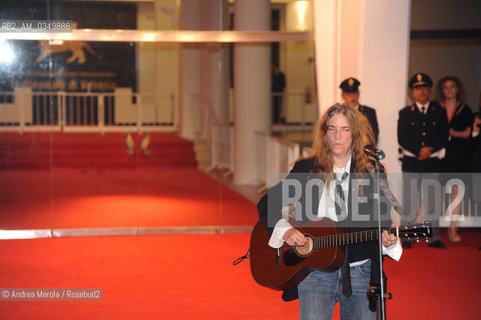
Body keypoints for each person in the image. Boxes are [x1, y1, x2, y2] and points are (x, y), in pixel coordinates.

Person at [257, 104, 401, 320]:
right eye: (332, 128)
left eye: (345, 129)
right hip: (315, 271)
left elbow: (382, 221)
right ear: (324, 133)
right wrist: (284, 229)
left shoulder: (373, 173)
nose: (337, 136)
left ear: (355, 134)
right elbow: (267, 202)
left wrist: (388, 240)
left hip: (360, 272)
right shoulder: (306, 169)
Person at [397, 72, 449, 249]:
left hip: (431, 162)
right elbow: (402, 138)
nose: (422, 92)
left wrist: (429, 150)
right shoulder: (405, 113)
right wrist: (419, 150)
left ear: (430, 90)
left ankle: (434, 238)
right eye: (418, 89)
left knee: (432, 201)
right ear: (413, 92)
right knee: (409, 201)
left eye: (425, 88)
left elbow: (444, 136)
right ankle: (407, 237)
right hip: (412, 163)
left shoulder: (439, 112)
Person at [435, 76, 474, 242]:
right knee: (433, 191)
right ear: (442, 91)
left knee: (457, 192)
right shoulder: (436, 108)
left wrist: (453, 134)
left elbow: (469, 133)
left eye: (452, 87)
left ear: (458, 89)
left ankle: (452, 228)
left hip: (459, 157)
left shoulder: (465, 110)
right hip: (439, 157)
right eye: (446, 87)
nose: (449, 90)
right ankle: (430, 229)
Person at [340, 77, 379, 143]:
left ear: (358, 93)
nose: (352, 97)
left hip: (362, 151)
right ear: (342, 96)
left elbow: (373, 137)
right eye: (349, 94)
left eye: (354, 93)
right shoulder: (338, 113)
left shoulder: (369, 112)